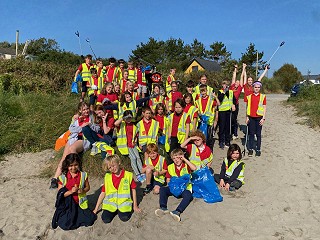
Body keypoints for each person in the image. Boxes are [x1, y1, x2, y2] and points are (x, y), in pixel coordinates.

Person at [50, 102, 100, 189]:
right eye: (84, 109)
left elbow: (98, 129)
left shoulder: (92, 117)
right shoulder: (77, 119)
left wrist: (89, 125)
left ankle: (78, 175)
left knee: (73, 148)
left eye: (87, 109)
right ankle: (55, 178)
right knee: (64, 156)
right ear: (80, 110)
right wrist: (79, 123)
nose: (86, 111)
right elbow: (71, 129)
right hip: (74, 138)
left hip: (84, 139)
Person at [52, 153, 96, 230]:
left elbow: (88, 187)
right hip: (68, 204)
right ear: (67, 166)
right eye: (70, 166)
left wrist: (83, 190)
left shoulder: (83, 175)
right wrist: (71, 192)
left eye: (75, 165)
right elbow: (61, 194)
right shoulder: (62, 178)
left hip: (80, 203)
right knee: (66, 223)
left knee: (90, 220)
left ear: (78, 164)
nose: (73, 168)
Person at [93, 155, 141, 223]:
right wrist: (96, 209)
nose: (112, 168)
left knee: (125, 218)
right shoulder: (107, 177)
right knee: (106, 219)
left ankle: (119, 211)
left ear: (118, 163)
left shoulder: (128, 175)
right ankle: (114, 211)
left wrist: (135, 206)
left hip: (124, 204)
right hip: (111, 204)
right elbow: (103, 193)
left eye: (113, 165)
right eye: (110, 167)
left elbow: (133, 190)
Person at [155, 148, 196, 222]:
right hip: (174, 188)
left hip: (184, 189)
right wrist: (171, 186)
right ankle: (163, 207)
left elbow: (194, 168)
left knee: (188, 195)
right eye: (174, 158)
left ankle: (177, 211)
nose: (176, 160)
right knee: (163, 189)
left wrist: (184, 159)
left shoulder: (186, 165)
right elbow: (168, 179)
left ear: (181, 157)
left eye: (178, 158)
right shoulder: (170, 167)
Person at [114, 110, 146, 182]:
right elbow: (115, 123)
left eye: (130, 118)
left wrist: (135, 141)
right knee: (133, 158)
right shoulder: (122, 125)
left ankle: (142, 172)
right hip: (126, 146)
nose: (128, 119)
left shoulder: (134, 125)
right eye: (127, 118)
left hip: (133, 145)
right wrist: (123, 118)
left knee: (138, 158)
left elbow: (136, 135)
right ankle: (137, 174)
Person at [245, 81, 267, 157]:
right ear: (253, 88)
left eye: (258, 87)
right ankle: (250, 149)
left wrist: (263, 118)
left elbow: (264, 107)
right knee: (251, 134)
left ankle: (258, 149)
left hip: (259, 118)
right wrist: (247, 117)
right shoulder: (249, 96)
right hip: (251, 118)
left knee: (258, 134)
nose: (257, 89)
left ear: (260, 88)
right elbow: (247, 107)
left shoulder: (263, 96)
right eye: (255, 87)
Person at [195, 84, 220, 149]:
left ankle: (209, 151)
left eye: (204, 91)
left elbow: (218, 104)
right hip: (201, 122)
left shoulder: (211, 99)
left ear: (207, 91)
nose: (203, 93)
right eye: (201, 91)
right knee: (200, 137)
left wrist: (215, 97)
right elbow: (196, 109)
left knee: (209, 138)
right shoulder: (198, 100)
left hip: (209, 122)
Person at [217, 79, 236, 149]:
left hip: (228, 111)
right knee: (222, 127)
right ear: (222, 85)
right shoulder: (220, 92)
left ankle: (227, 141)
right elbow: (220, 99)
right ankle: (221, 141)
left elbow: (234, 99)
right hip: (222, 111)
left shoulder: (231, 92)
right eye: (224, 84)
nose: (225, 86)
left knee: (228, 127)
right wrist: (224, 92)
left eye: (227, 85)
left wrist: (233, 105)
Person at [230, 64, 245, 140]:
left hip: (236, 105)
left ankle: (235, 134)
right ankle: (230, 132)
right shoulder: (232, 86)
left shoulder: (239, 88)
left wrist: (243, 68)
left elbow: (241, 77)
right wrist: (235, 68)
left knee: (234, 119)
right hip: (229, 104)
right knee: (230, 119)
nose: (237, 83)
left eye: (238, 82)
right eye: (236, 82)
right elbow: (234, 77)